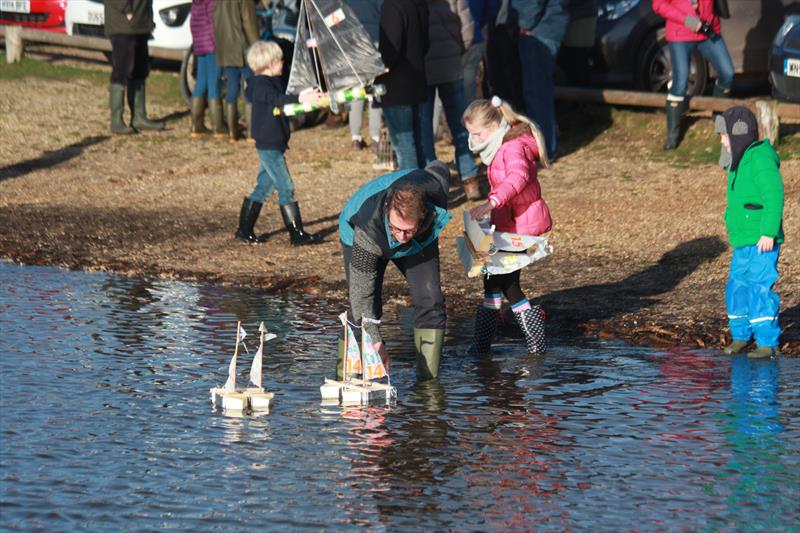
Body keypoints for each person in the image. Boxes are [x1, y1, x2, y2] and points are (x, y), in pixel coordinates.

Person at [338, 160, 452, 380]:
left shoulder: (435, 196)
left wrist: (411, 234)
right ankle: (348, 375)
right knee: (363, 306)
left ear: (422, 217)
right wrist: (376, 341)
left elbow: (440, 168)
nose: (400, 237)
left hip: (420, 241)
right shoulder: (368, 226)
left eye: (407, 230)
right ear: (389, 210)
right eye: (396, 229)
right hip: (360, 231)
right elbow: (363, 296)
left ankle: (427, 383)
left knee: (431, 299)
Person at [462, 96, 551, 354]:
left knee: (508, 285)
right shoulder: (501, 144)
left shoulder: (511, 148)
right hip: (505, 224)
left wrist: (491, 202)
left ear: (492, 128)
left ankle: (536, 343)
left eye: (477, 134)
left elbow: (518, 177)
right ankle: (481, 346)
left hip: (519, 227)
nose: (474, 140)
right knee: (491, 281)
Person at [235, 41, 324, 245]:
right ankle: (296, 234)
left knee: (264, 188)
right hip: (268, 144)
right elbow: (278, 99)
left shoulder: (272, 82)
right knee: (286, 187)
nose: (283, 63)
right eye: (280, 60)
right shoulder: (261, 85)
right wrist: (302, 98)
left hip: (274, 142)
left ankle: (244, 229)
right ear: (270, 64)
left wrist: (305, 96)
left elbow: (283, 97)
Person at [715, 106, 784, 358]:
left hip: (762, 240)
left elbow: (774, 195)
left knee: (759, 286)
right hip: (743, 240)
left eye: (725, 136)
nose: (722, 141)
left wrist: (768, 231)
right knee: (737, 285)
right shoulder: (737, 161)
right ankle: (741, 335)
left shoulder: (761, 158)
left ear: (739, 133)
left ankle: (767, 341)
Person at [653, 0, 734, 150]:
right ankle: (673, 135)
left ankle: (719, 117)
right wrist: (687, 20)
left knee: (727, 73)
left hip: (708, 30)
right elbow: (658, 5)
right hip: (680, 32)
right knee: (680, 83)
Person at [420, 0, 481, 198]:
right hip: (450, 62)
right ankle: (470, 178)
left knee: (425, 131)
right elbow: (467, 26)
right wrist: (458, 49)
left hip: (423, 65)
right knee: (460, 126)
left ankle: (433, 183)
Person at [374, 0, 429, 170]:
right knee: (417, 143)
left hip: (397, 86)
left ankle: (412, 193)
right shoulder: (418, 4)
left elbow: (391, 49)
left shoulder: (392, 6)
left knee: (404, 143)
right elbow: (426, 44)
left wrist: (376, 68)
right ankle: (424, 190)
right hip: (416, 81)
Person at [104, 0, 166, 134]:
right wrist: (127, 9)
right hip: (124, 25)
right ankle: (116, 120)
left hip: (141, 23)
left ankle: (139, 116)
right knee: (121, 71)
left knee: (140, 70)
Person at [214, 0, 260, 143]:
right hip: (243, 48)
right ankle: (251, 133)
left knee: (232, 88)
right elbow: (249, 23)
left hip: (226, 47)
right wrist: (257, 46)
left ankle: (232, 133)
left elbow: (215, 21)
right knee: (250, 87)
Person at [346, 0, 384, 152]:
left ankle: (355, 137)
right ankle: (375, 138)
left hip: (351, 43)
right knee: (374, 92)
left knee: (356, 93)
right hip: (374, 40)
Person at [189, 0, 226, 139]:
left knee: (201, 83)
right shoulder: (211, 2)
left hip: (200, 44)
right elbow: (215, 22)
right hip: (212, 45)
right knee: (214, 83)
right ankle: (218, 127)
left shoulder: (195, 3)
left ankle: (196, 125)